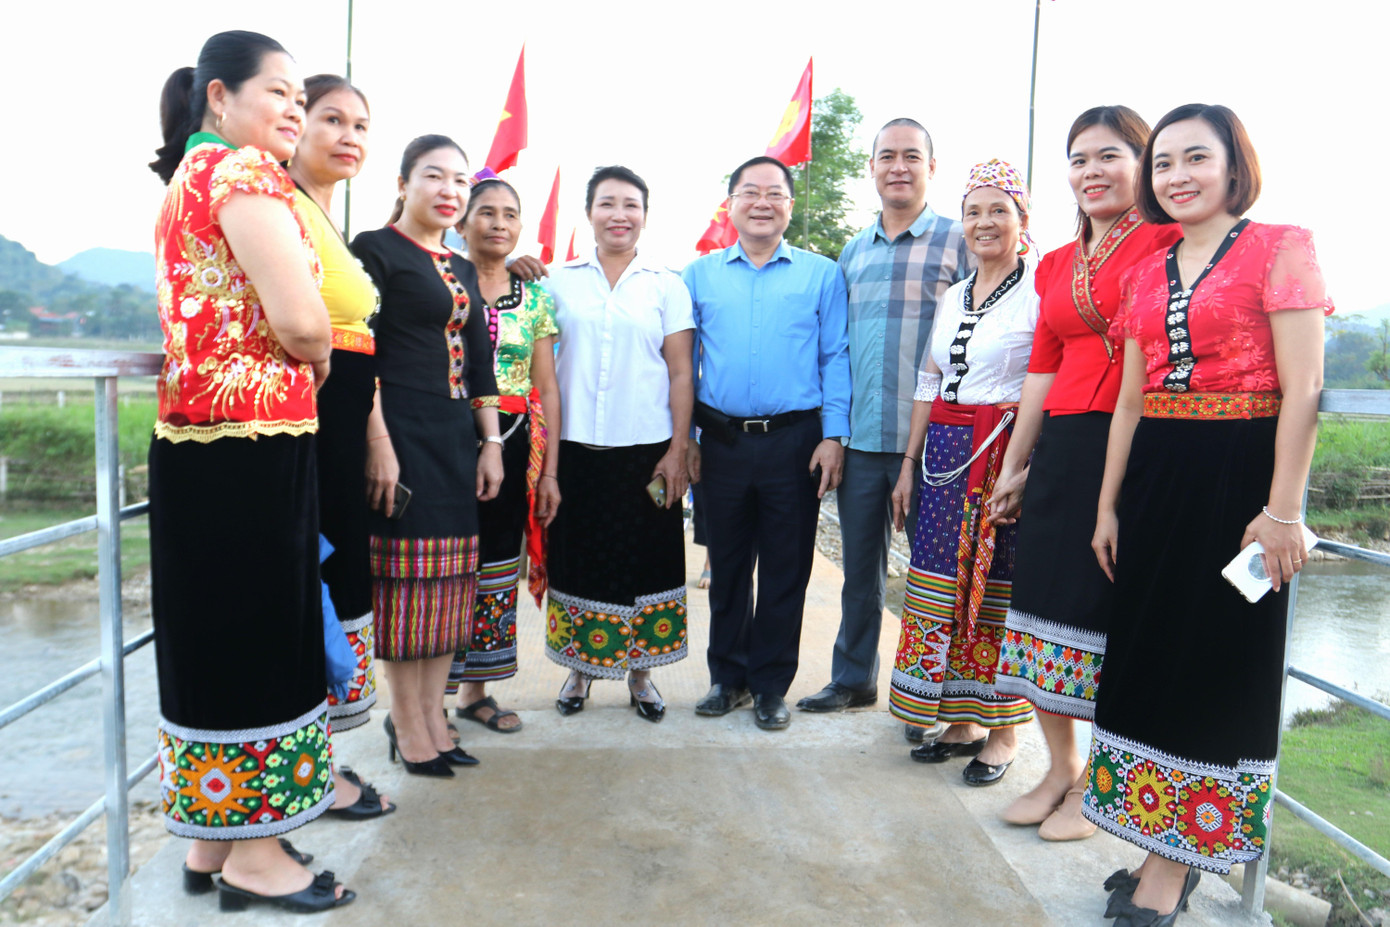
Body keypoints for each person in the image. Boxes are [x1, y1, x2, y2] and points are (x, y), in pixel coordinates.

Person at [1083, 104, 1330, 926]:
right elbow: (1128, 401)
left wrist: (1284, 510)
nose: (1177, 176)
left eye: (1197, 157)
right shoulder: (1146, 269)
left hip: (1240, 483)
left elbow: (1306, 388)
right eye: (1163, 163)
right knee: (1150, 657)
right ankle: (1160, 845)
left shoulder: (1280, 246)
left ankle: (1171, 868)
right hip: (1157, 477)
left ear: (1234, 166)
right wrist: (1109, 504)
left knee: (1217, 663)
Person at [147, 30, 353, 912]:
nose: (294, 112)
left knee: (210, 638)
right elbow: (304, 322)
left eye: (300, 102)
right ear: (220, 97)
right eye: (282, 95)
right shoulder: (240, 176)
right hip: (252, 444)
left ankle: (210, 843)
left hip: (197, 443)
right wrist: (314, 355)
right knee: (261, 638)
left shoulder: (185, 181)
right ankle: (258, 858)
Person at [984, 106, 1182, 841]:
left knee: (1102, 611)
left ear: (1143, 162)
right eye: (1078, 159)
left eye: (1111, 155)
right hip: (1063, 447)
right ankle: (1061, 767)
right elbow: (1042, 367)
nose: (1092, 171)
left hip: (1134, 444)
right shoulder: (1057, 264)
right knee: (1039, 609)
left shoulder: (1167, 244)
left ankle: (1102, 784)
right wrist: (1016, 465)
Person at [796, 118, 972, 734]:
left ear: (931, 166)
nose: (899, 166)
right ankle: (853, 679)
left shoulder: (960, 241)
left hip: (944, 442)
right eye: (887, 156)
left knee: (940, 573)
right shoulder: (853, 251)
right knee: (861, 571)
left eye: (912, 156)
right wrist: (836, 433)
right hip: (866, 441)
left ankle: (939, 697)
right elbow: (836, 351)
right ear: (872, 168)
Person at [351, 135, 502, 777]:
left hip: (453, 435)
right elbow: (359, 350)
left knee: (449, 585)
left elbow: (482, 364)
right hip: (398, 429)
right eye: (434, 176)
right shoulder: (373, 250)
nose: (449, 190)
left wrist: (491, 442)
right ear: (404, 182)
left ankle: (435, 717)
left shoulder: (462, 266)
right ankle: (406, 721)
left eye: (460, 181)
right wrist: (377, 443)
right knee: (406, 585)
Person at [683, 155, 851, 731]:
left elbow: (835, 357)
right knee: (727, 567)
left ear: (789, 205)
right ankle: (725, 678)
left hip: (795, 443)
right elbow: (682, 365)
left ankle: (769, 685)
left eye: (774, 193)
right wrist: (686, 439)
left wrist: (834, 436)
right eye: (749, 192)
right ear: (730, 204)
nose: (762, 202)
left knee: (786, 568)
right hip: (721, 441)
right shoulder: (698, 275)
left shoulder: (820, 275)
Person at [887, 159, 1038, 784]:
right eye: (973, 211)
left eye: (998, 210)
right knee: (941, 584)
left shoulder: (1040, 289)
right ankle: (958, 718)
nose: (984, 223)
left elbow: (1044, 383)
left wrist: (1027, 465)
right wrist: (909, 461)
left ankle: (1001, 733)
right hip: (946, 456)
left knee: (997, 585)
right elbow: (930, 377)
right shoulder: (955, 294)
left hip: (1005, 451)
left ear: (1023, 220)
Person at [542, 165, 694, 723]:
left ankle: (642, 677)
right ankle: (580, 670)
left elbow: (681, 373)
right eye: (607, 204)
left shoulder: (666, 284)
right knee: (579, 560)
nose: (619, 215)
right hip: (577, 451)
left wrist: (678, 448)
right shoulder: (558, 282)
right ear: (589, 213)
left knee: (646, 562)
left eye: (631, 205)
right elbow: (544, 370)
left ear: (645, 216)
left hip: (646, 454)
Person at [287, 73, 394, 819]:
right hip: (299, 436)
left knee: (342, 588)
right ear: (294, 123)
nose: (349, 135)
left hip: (345, 435)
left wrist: (376, 441)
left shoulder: (324, 217)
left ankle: (321, 764)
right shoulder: (278, 206)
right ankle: (305, 773)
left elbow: (362, 350)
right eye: (331, 118)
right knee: (307, 593)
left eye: (360, 124)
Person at [445, 178, 562, 732]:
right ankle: (425, 705)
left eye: (510, 215)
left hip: (516, 443)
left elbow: (547, 386)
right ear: (460, 222)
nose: (498, 223)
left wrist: (550, 472)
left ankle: (475, 692)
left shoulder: (533, 293)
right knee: (441, 565)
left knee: (495, 564)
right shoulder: (439, 281)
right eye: (485, 212)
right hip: (443, 439)